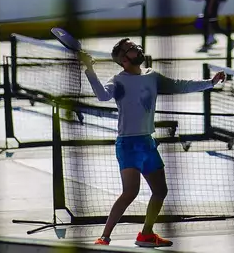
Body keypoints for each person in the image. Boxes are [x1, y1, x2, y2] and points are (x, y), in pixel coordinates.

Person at [83, 38, 225, 247]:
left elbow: (179, 86)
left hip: (147, 143)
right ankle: (104, 237)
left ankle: (146, 234)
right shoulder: (118, 81)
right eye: (131, 48)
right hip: (128, 145)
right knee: (130, 192)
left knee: (160, 191)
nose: (137, 49)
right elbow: (103, 96)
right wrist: (89, 69)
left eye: (136, 46)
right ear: (123, 59)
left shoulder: (152, 77)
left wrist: (210, 83)